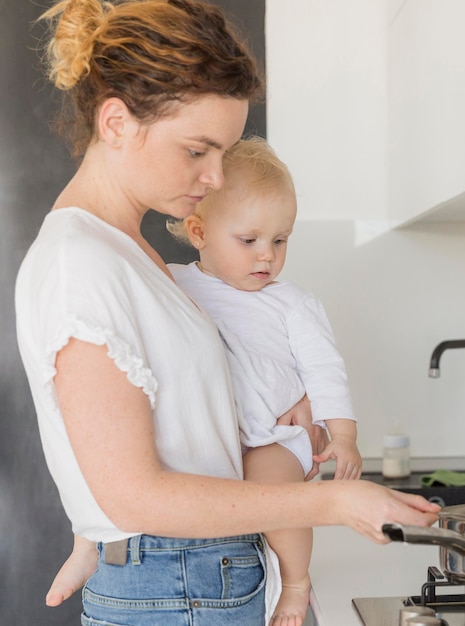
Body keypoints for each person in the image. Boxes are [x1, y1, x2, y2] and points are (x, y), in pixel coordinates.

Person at [15, 1, 441, 625]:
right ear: (116, 124)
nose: (216, 177)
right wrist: (332, 502)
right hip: (176, 579)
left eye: (225, 152)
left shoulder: (131, 252)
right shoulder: (81, 265)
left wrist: (287, 397)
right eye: (197, 151)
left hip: (201, 574)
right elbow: (133, 494)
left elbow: (189, 409)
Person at [48, 137, 364, 625]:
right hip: (206, 443)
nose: (267, 257)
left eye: (280, 241)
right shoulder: (170, 281)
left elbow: (326, 370)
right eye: (250, 240)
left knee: (277, 495)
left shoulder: (292, 304)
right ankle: (86, 544)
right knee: (111, 456)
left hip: (268, 439)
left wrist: (341, 433)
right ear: (199, 231)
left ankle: (296, 582)